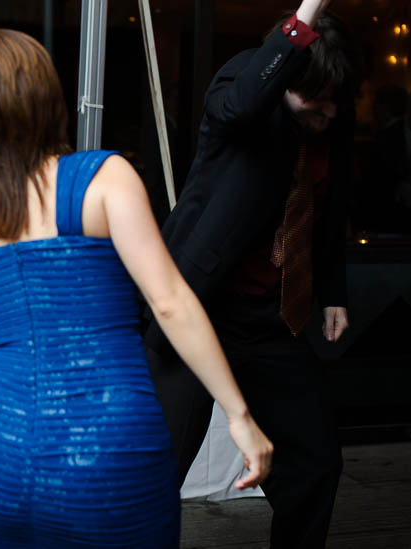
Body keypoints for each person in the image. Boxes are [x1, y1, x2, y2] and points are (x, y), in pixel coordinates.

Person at [0, 29, 272, 547]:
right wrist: (239, 414)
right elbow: (169, 301)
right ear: (41, 97)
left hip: (4, 435)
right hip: (109, 432)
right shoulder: (104, 178)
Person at [142, 1, 363, 547]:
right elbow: (241, 107)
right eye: (316, 99)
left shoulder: (329, 115)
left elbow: (330, 207)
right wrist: (307, 10)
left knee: (315, 465)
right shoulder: (244, 85)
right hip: (198, 311)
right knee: (152, 471)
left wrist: (332, 291)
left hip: (270, 319)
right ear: (286, 74)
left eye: (336, 101)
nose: (329, 113)